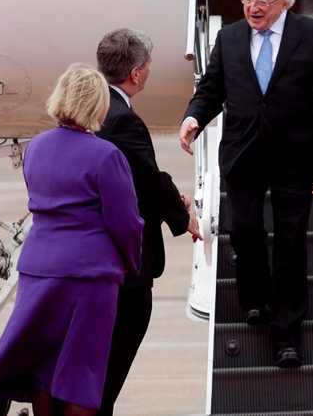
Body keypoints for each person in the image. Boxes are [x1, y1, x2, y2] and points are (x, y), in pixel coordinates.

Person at [179, 0, 313, 368]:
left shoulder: (312, 36)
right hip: (243, 154)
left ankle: (287, 336)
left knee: (291, 244)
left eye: (262, 0)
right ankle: (255, 298)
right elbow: (211, 91)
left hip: (294, 155)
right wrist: (193, 119)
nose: (252, 7)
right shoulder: (228, 37)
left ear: (285, 3)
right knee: (245, 230)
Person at [0, 63, 144, 415]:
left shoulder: (36, 147)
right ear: (97, 105)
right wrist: (129, 263)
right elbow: (125, 223)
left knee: (44, 371)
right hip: (88, 277)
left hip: (38, 270)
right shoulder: (106, 155)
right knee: (82, 374)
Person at [95, 28, 202, 414]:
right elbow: (146, 178)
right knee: (110, 367)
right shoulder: (123, 118)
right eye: (150, 66)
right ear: (136, 74)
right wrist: (182, 214)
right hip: (127, 270)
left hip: (96, 259)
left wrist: (169, 197)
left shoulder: (94, 108)